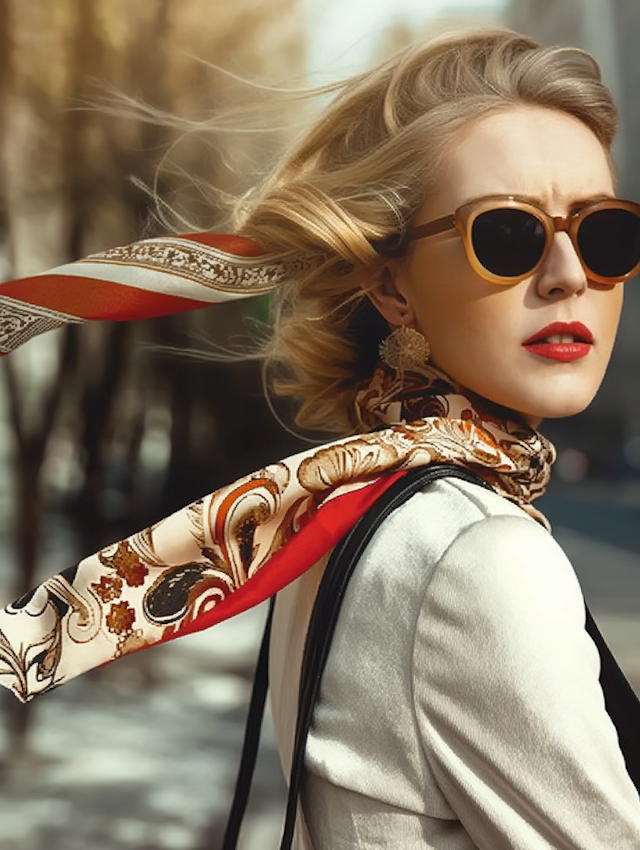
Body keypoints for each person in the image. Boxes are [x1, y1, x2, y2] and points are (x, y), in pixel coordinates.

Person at [0, 26, 639, 849]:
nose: (569, 275)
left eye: (605, 235)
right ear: (391, 285)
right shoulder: (476, 556)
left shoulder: (350, 514)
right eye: (508, 234)